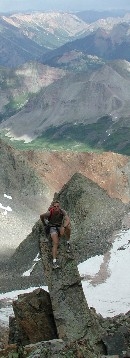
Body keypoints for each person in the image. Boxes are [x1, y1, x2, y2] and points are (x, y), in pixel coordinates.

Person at [40, 200, 71, 269]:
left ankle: (68, 242)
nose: (56, 208)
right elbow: (41, 216)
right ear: (53, 207)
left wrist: (64, 227)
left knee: (68, 227)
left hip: (60, 226)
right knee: (55, 242)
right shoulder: (49, 213)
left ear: (59, 207)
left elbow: (67, 219)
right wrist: (44, 223)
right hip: (52, 228)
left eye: (58, 206)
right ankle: (54, 262)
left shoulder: (62, 211)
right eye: (55, 206)